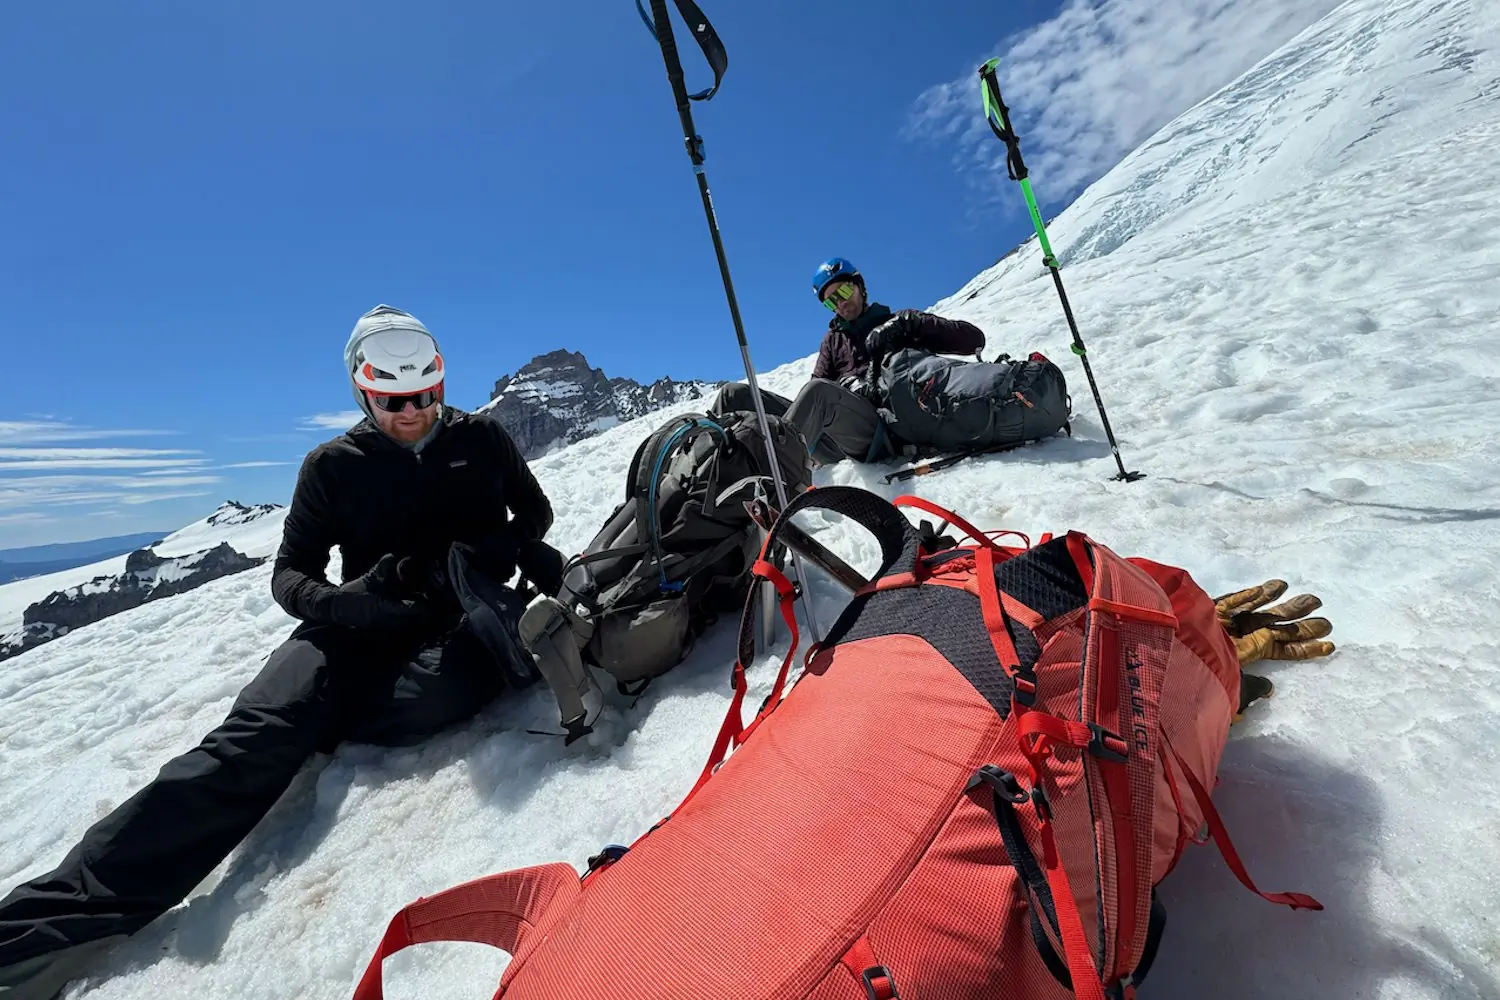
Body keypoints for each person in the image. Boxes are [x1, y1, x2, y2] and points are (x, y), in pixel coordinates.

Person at [0, 305, 565, 1000]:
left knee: (451, 692)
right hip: (349, 632)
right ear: (363, 390)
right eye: (393, 401)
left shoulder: (482, 439)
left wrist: (500, 549)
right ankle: (38, 935)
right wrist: (349, 601)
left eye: (425, 396)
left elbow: (533, 511)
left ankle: (326, 722)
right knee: (244, 745)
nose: (413, 411)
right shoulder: (332, 465)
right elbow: (290, 576)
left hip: (457, 621)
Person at [710, 257, 987, 465]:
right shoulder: (833, 340)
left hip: (881, 433)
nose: (840, 304)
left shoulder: (898, 324)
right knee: (734, 395)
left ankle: (776, 476)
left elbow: (973, 339)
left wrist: (910, 324)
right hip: (832, 436)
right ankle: (709, 473)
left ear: (860, 286)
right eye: (831, 302)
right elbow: (811, 393)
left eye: (843, 292)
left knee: (819, 392)